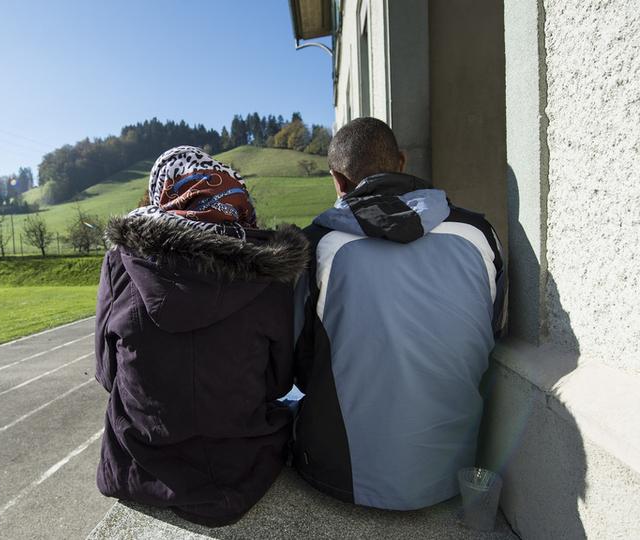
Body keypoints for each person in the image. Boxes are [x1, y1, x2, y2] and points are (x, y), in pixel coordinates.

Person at [292, 117, 505, 511]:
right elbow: (490, 334)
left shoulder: (317, 245)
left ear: (338, 181)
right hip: (455, 471)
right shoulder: (480, 234)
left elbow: (300, 364)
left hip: (338, 475)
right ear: (402, 162)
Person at [95, 146, 308, 526]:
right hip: (242, 465)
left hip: (138, 465)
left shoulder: (120, 262)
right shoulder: (271, 275)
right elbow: (278, 382)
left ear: (164, 193)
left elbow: (109, 374)